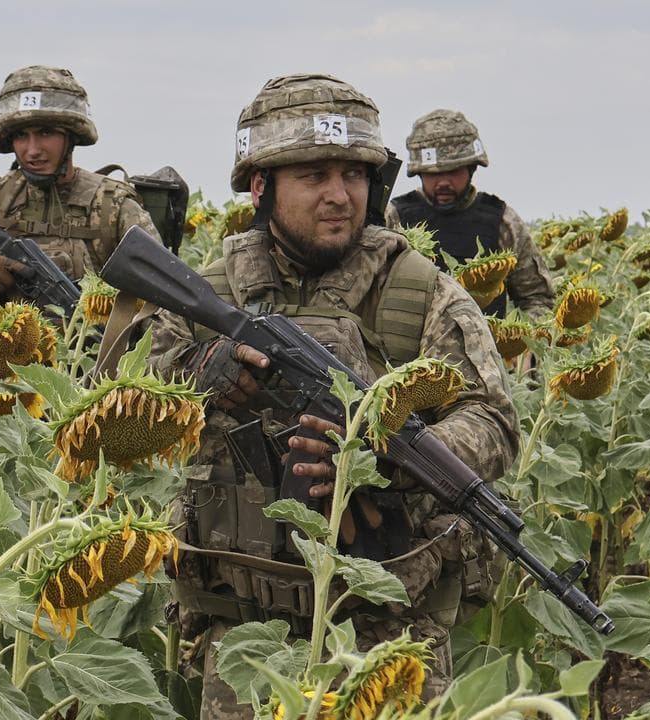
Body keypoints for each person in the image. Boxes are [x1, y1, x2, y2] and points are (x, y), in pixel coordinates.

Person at [145, 74, 520, 718]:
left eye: (353, 174)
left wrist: (390, 455)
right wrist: (202, 375)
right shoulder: (210, 293)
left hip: (383, 633)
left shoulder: (417, 292)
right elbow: (132, 412)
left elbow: (492, 420)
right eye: (313, 175)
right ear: (261, 185)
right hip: (241, 633)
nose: (339, 195)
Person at [0, 65, 160, 303]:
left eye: (46, 132)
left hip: (99, 340)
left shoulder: (115, 205)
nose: (33, 150)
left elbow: (164, 301)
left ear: (72, 136)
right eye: (21, 136)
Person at [386, 109, 553, 318]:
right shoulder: (394, 219)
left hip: (487, 349)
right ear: (419, 173)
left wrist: (524, 346)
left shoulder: (503, 221)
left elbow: (537, 297)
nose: (444, 182)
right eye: (434, 174)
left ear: (471, 168)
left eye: (454, 171)